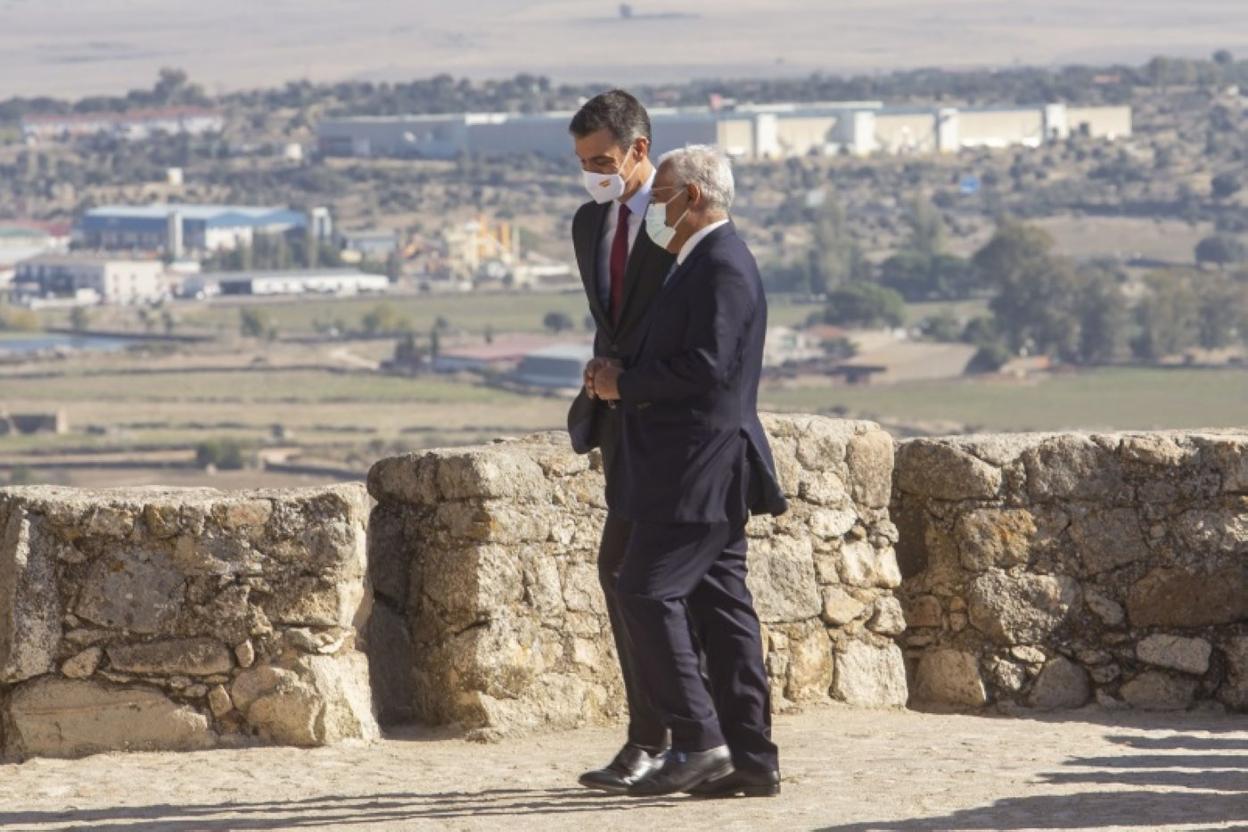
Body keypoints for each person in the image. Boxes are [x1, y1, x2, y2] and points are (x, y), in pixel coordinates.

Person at [589, 144, 788, 798]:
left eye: (663, 194)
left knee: (643, 589)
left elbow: (708, 368)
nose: (654, 207)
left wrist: (627, 384)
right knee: (724, 614)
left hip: (694, 471)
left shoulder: (723, 266)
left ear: (692, 198)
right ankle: (752, 761)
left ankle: (699, 740)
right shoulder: (694, 263)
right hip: (698, 470)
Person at [565, 89, 676, 794]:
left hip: (675, 426)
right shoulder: (588, 224)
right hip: (620, 429)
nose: (593, 174)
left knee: (647, 581)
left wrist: (630, 378)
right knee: (623, 579)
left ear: (639, 149)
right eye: (581, 163)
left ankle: (670, 738)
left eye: (603, 160)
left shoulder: (681, 222)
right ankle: (664, 737)